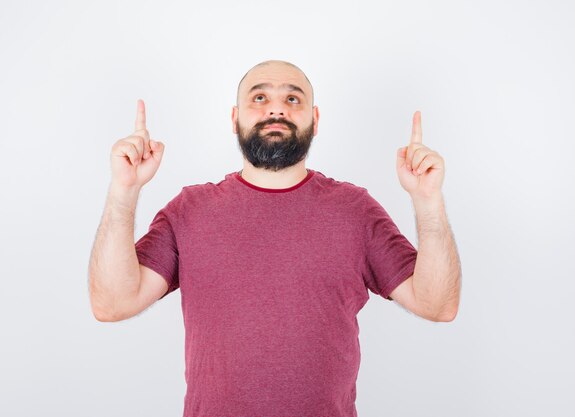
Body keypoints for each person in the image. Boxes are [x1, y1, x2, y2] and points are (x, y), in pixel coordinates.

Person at [88, 60, 461, 417]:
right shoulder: (189, 210)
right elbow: (112, 303)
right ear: (235, 119)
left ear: (314, 121)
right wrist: (124, 191)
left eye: (293, 98)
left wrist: (428, 201)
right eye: (260, 98)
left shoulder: (355, 210)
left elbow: (437, 304)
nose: (276, 109)